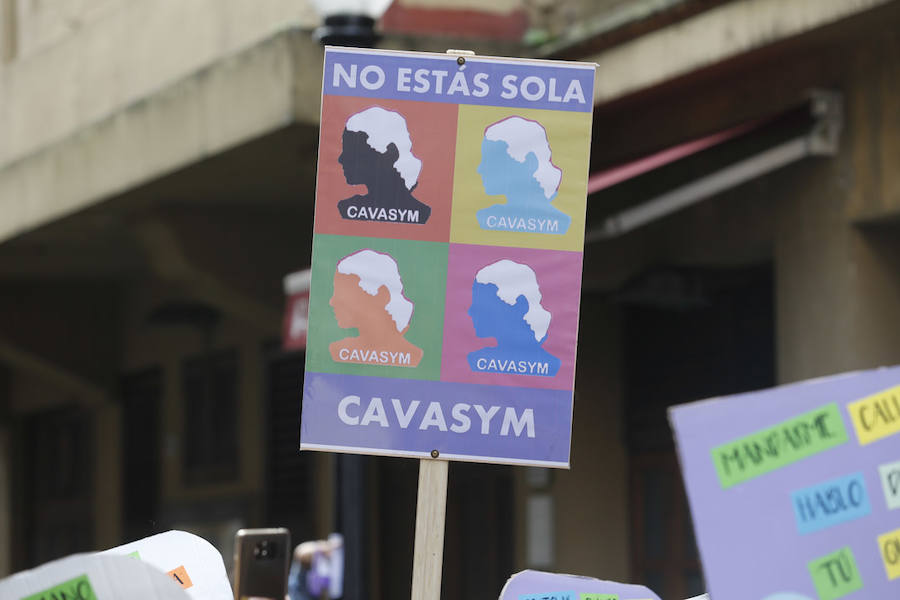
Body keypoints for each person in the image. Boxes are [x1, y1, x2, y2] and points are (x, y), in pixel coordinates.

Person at [476, 116, 570, 235]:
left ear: (529, 162)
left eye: (491, 161)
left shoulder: (561, 225)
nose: (480, 169)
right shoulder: (484, 218)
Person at [329, 249, 423, 367]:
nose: (332, 301)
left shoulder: (413, 356)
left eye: (343, 293)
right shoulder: (338, 351)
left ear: (382, 295)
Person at [337, 106, 431, 224]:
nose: (341, 159)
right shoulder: (347, 209)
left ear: (389, 154)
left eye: (353, 152)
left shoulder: (421, 214)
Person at [466, 259, 559, 377]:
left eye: (482, 303)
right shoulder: (475, 361)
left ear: (520, 305)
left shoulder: (551, 367)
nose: (471, 312)